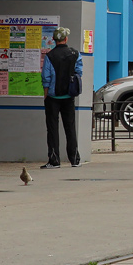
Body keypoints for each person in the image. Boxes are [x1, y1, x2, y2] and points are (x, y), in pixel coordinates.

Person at [41, 27, 82, 168]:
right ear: (66, 39)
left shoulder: (50, 56)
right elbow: (79, 72)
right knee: (70, 127)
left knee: (52, 128)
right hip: (69, 96)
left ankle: (54, 160)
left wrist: (45, 93)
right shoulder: (75, 54)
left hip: (53, 97)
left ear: (54, 40)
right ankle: (74, 159)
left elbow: (46, 77)